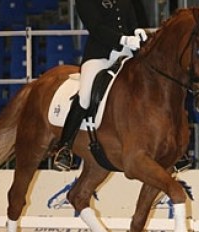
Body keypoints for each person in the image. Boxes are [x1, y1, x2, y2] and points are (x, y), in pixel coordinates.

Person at [53, 0, 148, 171]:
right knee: (85, 95)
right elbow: (96, 28)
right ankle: (64, 147)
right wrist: (123, 39)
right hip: (100, 56)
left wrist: (137, 31)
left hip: (127, 54)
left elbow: (131, 22)